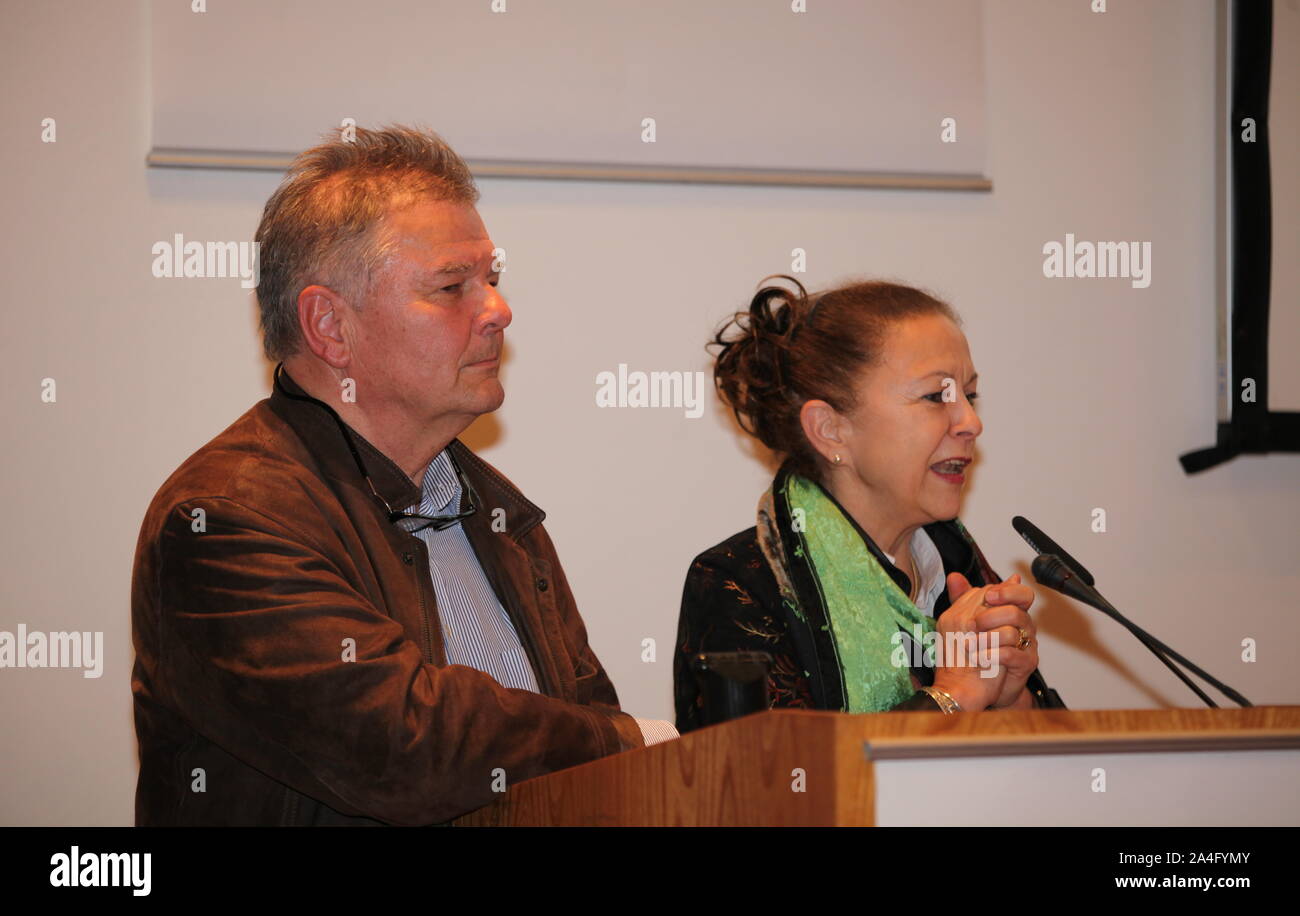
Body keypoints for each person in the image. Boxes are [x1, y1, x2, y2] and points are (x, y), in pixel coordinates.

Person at [131, 125, 677, 826]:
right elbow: (400, 745)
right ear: (330, 326)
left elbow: (585, 760)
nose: (499, 311)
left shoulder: (500, 519)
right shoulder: (224, 519)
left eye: (493, 280)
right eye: (452, 287)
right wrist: (629, 739)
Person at [674, 276, 1065, 731]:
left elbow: (1056, 789)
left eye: (970, 395)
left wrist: (1010, 698)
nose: (971, 422)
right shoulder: (743, 583)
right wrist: (951, 696)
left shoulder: (963, 571)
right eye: (937, 396)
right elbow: (769, 790)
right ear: (830, 429)